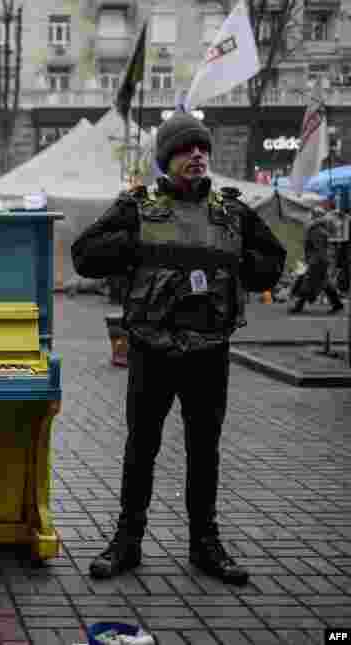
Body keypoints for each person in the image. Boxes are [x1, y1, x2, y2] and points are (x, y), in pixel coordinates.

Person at [71, 111, 286, 586]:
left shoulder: (231, 211)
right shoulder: (137, 207)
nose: (197, 156)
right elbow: (84, 255)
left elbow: (272, 264)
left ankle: (205, 545)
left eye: (202, 149)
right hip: (152, 349)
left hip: (210, 351)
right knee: (140, 448)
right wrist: (135, 244)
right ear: (167, 158)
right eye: (186, 149)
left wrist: (238, 262)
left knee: (203, 449)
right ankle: (127, 542)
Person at [288, 207, 344, 315]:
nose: (310, 216)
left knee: (308, 283)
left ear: (315, 216)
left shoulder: (316, 230)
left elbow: (319, 249)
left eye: (313, 214)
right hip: (320, 260)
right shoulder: (319, 229)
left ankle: (298, 306)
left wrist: (313, 262)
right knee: (325, 284)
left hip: (318, 261)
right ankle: (337, 304)